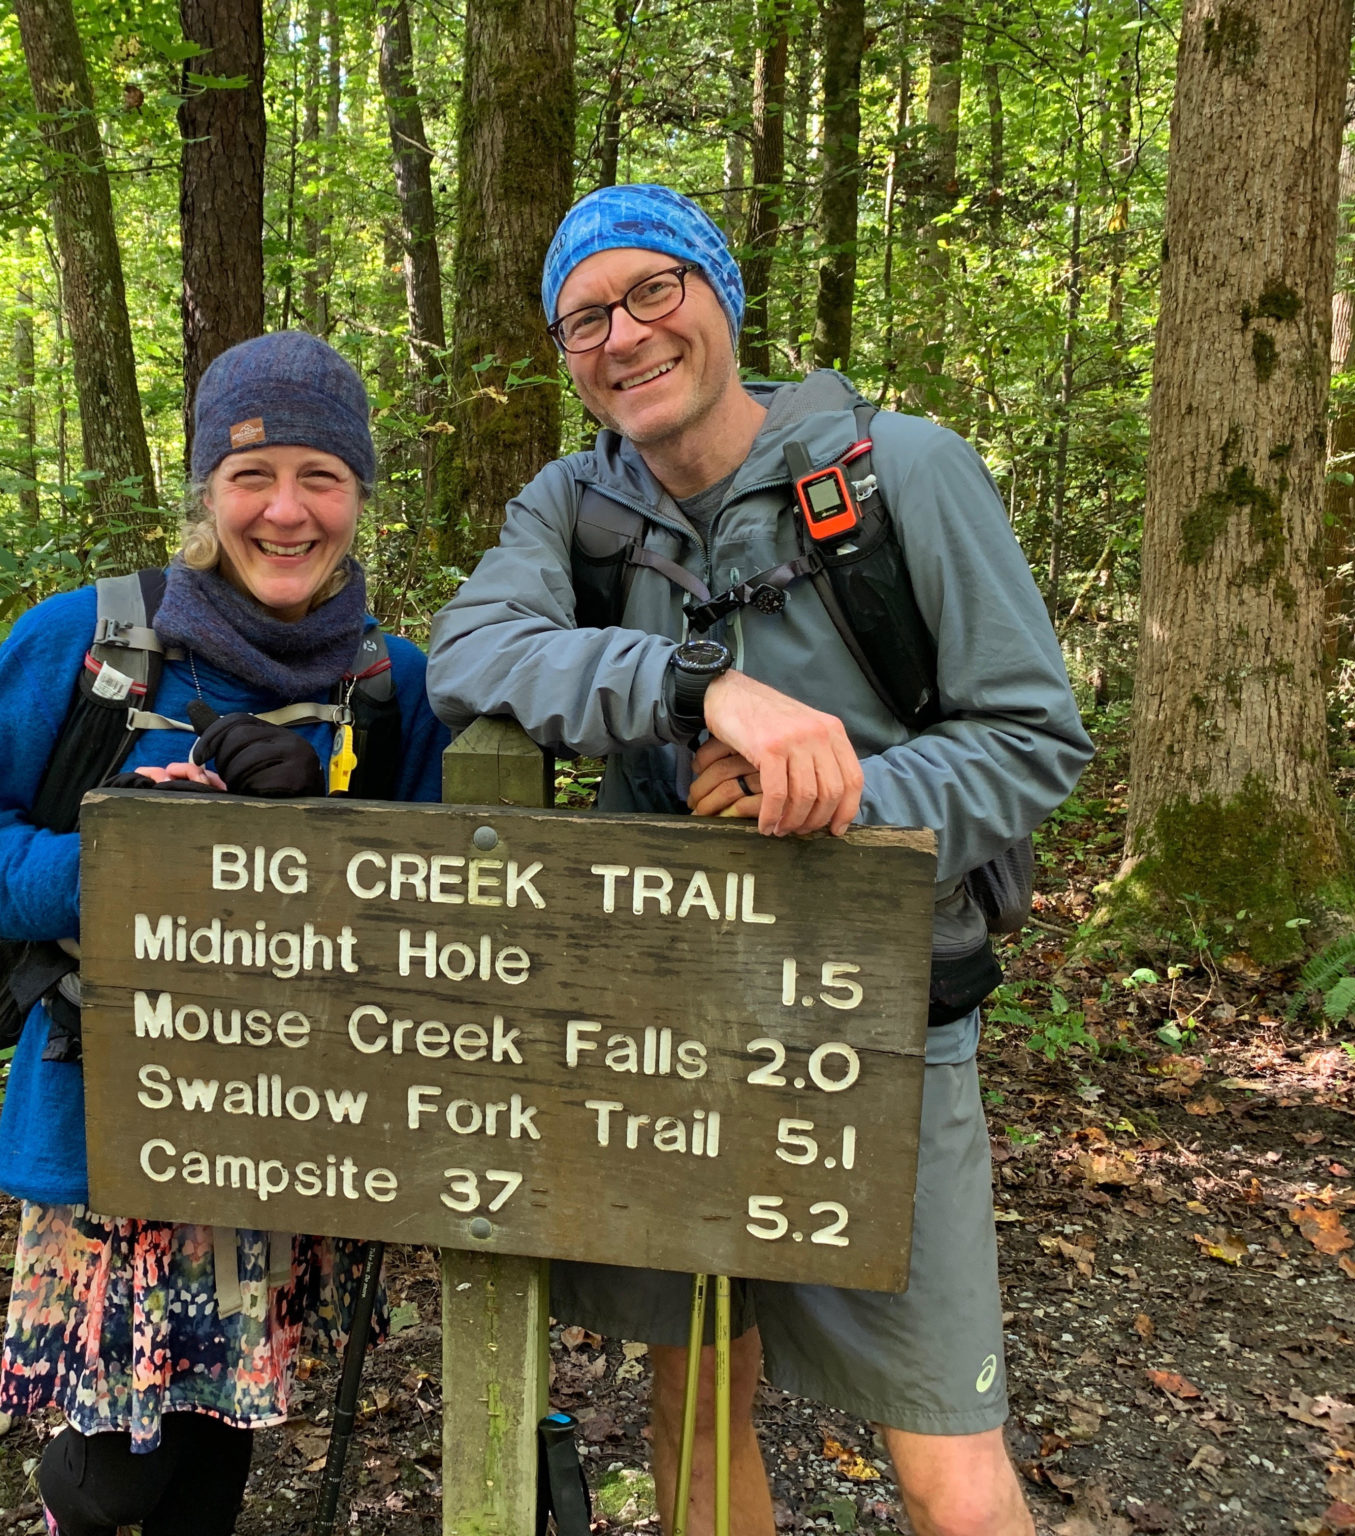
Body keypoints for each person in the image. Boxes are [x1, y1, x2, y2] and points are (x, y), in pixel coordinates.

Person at [426, 185, 1094, 1536]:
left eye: (652, 293)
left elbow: (1035, 738)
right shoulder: (574, 506)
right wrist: (695, 689)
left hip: (880, 1026)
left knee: (948, 1458)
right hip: (670, 1030)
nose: (623, 336)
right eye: (585, 319)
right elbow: (473, 651)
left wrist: (840, 793)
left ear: (719, 296)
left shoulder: (900, 472)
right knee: (692, 1410)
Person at [0, 331, 449, 1536]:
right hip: (107, 1121)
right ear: (207, 489)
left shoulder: (392, 681)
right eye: (252, 477)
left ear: (358, 495)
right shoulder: (86, 642)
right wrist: (126, 861)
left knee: (213, 1453)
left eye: (320, 477)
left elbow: (435, 912)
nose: (285, 510)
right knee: (110, 1475)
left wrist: (316, 822)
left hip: (290, 1129)